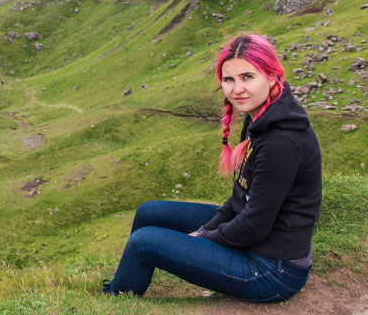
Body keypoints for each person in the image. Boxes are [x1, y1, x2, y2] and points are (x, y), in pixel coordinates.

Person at [101, 34, 322, 302]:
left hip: (272, 270)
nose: (237, 89)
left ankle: (114, 299)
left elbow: (254, 225)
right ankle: (135, 274)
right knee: (150, 212)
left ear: (272, 76)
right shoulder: (260, 116)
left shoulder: (281, 143)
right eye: (229, 79)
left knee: (143, 242)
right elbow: (241, 199)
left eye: (247, 77)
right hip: (256, 242)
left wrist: (205, 238)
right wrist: (208, 230)